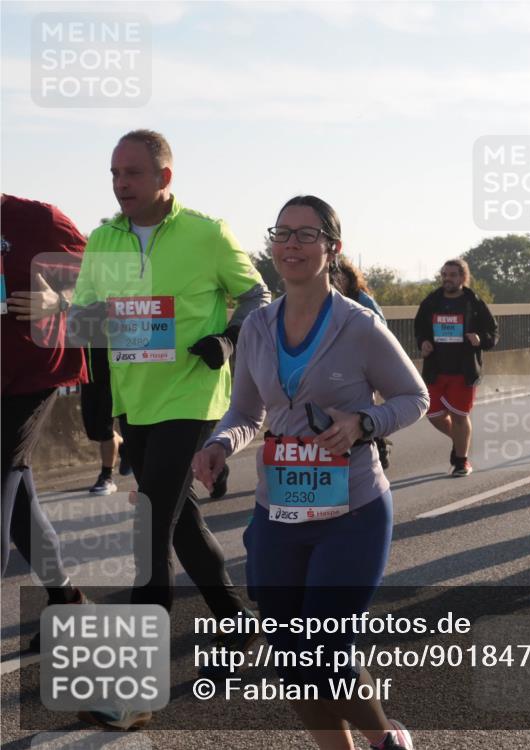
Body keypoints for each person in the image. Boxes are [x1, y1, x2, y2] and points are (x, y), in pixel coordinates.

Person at [193, 195, 427, 750]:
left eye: (306, 234)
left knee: (321, 651)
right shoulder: (255, 328)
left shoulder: (359, 325)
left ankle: (385, 738)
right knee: (289, 657)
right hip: (279, 508)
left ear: (332, 248)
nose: (292, 245)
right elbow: (248, 413)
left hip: (353, 509)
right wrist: (222, 443)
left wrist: (362, 423)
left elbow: (413, 397)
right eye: (283, 233)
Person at [70, 130, 270, 730]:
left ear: (164, 177)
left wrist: (227, 339)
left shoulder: (207, 233)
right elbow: (87, 319)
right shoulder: (102, 240)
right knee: (180, 521)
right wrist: (97, 395)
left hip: (193, 396)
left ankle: (134, 691)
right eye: (113, 173)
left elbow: (258, 294)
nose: (120, 184)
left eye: (131, 173)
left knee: (149, 525)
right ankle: (237, 627)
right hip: (138, 404)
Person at [1, 195, 88, 650]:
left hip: (33, 378)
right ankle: (67, 600)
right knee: (18, 502)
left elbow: (105, 286)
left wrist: (57, 299)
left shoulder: (39, 220)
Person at [414, 258, 497, 477]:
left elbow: (493, 333)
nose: (447, 279)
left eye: (452, 275)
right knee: (432, 414)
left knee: (460, 417)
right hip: (436, 369)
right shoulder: (431, 302)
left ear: (462, 277)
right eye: (444, 274)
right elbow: (419, 329)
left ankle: (461, 461)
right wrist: (423, 342)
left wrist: (480, 339)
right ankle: (460, 441)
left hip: (463, 370)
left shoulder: (474, 302)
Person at [333, 256, 391, 471]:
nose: (335, 280)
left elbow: (380, 327)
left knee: (365, 406)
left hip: (362, 360)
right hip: (336, 361)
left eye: (339, 276)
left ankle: (379, 443)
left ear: (348, 279)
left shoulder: (362, 300)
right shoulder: (322, 301)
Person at [79, 343, 131, 495]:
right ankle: (123, 446)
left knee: (104, 428)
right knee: (93, 431)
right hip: (88, 377)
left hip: (112, 376)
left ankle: (107, 477)